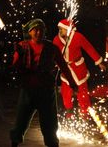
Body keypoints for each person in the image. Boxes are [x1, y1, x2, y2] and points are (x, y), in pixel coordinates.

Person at [9, 18, 77, 147]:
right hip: (28, 90)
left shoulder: (52, 48)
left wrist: (72, 83)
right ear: (30, 32)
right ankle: (14, 144)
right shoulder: (23, 46)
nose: (38, 32)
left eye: (41, 30)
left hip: (46, 91)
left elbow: (63, 66)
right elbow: (14, 66)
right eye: (35, 30)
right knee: (20, 122)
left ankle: (52, 144)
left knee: (50, 124)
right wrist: (18, 54)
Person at [53, 18, 106, 117]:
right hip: (66, 70)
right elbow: (53, 53)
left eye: (62, 29)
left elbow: (89, 48)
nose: (60, 31)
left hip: (79, 69)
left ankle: (85, 112)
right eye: (59, 29)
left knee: (82, 92)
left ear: (68, 29)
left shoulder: (78, 37)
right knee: (66, 92)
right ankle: (69, 110)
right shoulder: (57, 40)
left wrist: (99, 62)